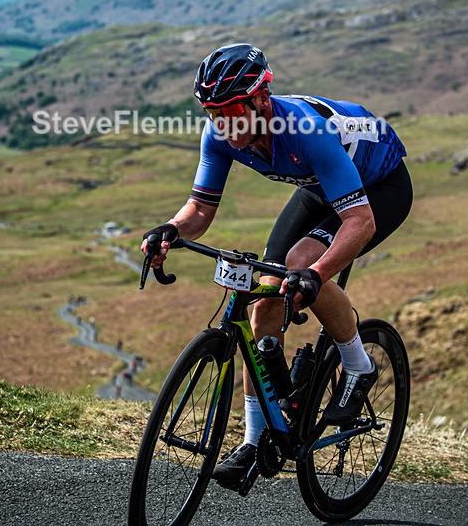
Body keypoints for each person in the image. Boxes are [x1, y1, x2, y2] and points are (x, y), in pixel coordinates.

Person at [141, 43, 413, 489]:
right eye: (213, 113)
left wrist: (316, 273)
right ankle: (254, 442)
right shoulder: (221, 136)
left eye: (231, 111)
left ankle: (358, 364)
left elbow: (359, 221)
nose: (223, 124)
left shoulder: (305, 131)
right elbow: (200, 211)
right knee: (265, 296)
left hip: (380, 186)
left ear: (262, 100)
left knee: (301, 263)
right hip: (319, 186)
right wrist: (170, 230)